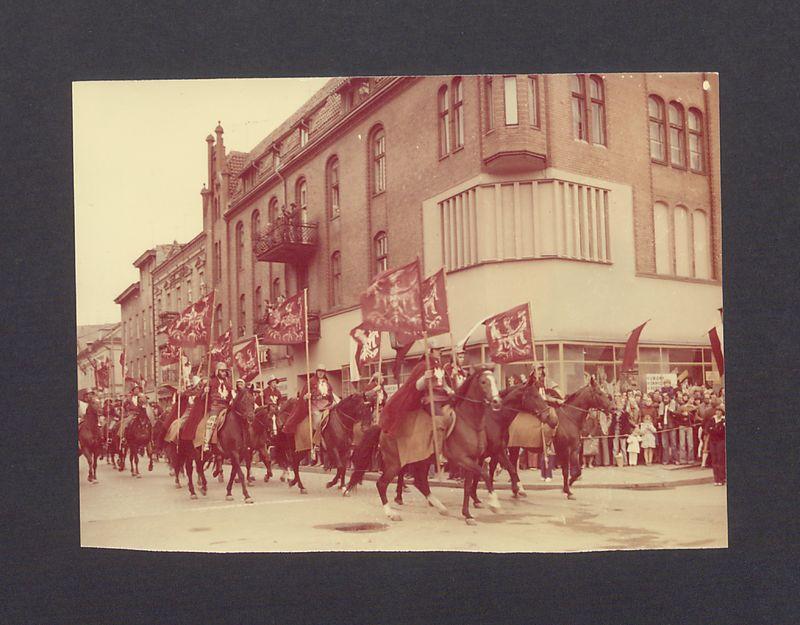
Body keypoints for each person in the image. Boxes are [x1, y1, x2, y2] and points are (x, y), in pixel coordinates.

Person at [203, 361, 233, 450]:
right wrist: (205, 391)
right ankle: (206, 443)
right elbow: (204, 396)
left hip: (227, 406)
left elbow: (231, 394)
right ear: (217, 371)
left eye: (225, 371)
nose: (224, 373)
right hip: (216, 406)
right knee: (211, 422)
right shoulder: (211, 382)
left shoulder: (228, 383)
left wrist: (233, 397)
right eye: (222, 371)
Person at [707, 406, 726, 485]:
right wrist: (714, 429)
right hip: (712, 441)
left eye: (719, 411)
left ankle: (721, 479)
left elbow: (721, 432)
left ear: (722, 412)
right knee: (714, 460)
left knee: (720, 459)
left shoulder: (723, 420)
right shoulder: (712, 420)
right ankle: (716, 479)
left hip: (720, 441)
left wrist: (713, 429)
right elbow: (707, 428)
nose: (718, 412)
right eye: (717, 411)